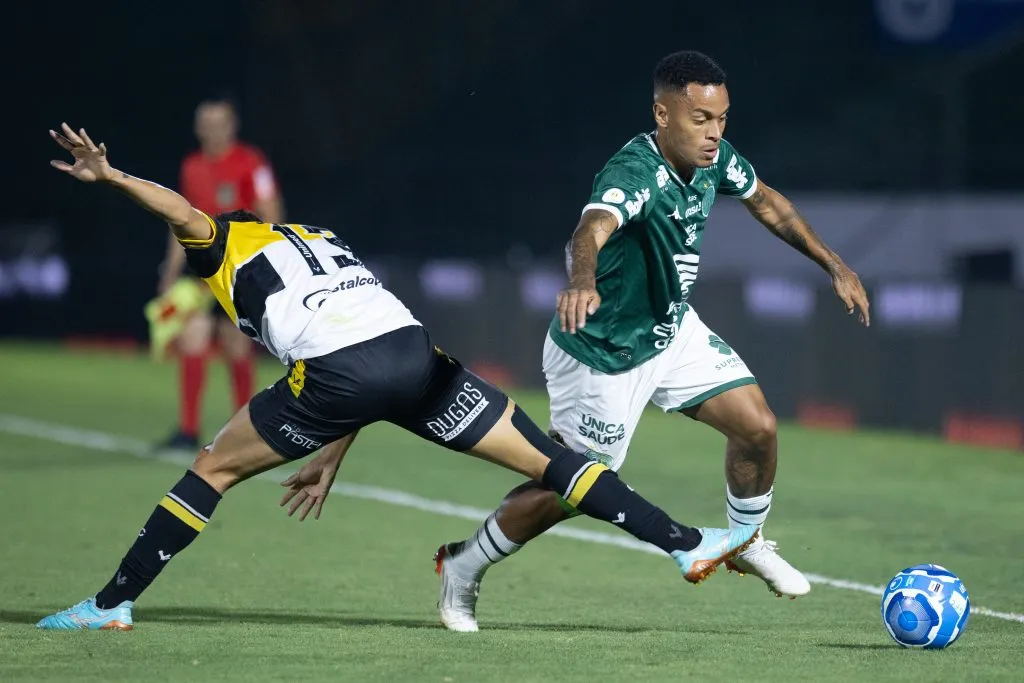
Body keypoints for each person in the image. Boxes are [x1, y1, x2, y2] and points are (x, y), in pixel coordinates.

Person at [36, 123, 759, 631]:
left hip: (337, 374)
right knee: (554, 461)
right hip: (414, 357)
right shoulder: (319, 237)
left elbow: (183, 212)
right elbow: (373, 350)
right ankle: (685, 539)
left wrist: (111, 176)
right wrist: (331, 452)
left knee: (212, 469)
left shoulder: (228, 241)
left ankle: (111, 603)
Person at [432, 50, 871, 632]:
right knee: (567, 489)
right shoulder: (635, 173)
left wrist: (835, 265)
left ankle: (745, 540)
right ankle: (464, 565)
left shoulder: (714, 159)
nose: (714, 133)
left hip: (670, 331)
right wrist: (582, 279)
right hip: (601, 354)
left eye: (722, 118)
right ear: (662, 115)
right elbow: (591, 228)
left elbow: (766, 201)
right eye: (700, 119)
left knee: (758, 427)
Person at [157, 96, 284, 451]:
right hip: (201, 272)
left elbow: (271, 211)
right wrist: (169, 271)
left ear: (232, 126)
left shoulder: (252, 162)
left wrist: (267, 263)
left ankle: (244, 431)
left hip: (238, 271)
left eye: (219, 123)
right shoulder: (191, 166)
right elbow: (177, 218)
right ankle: (188, 429)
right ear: (198, 128)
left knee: (236, 346)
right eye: (206, 123)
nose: (212, 129)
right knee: (191, 338)